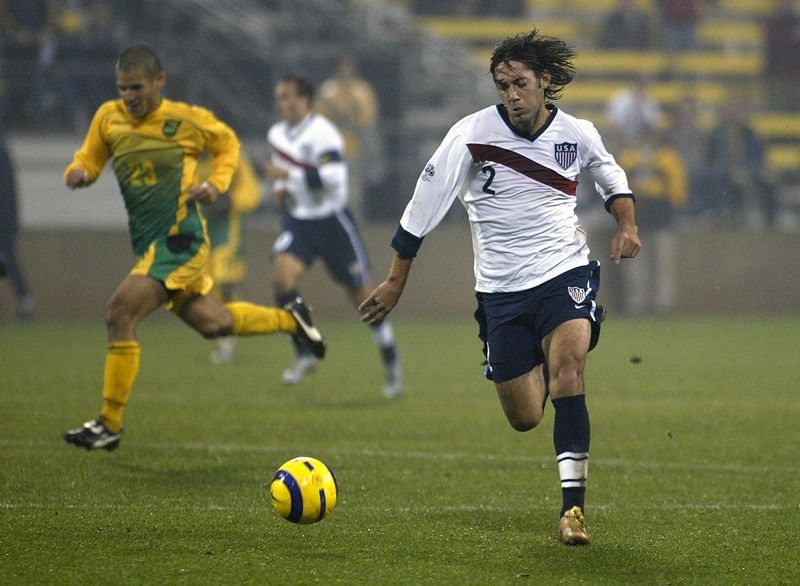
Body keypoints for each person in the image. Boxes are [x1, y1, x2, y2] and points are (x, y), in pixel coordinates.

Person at [359, 30, 640, 545]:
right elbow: (423, 206)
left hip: (564, 271)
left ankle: (572, 511)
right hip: (501, 291)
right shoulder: (471, 134)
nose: (511, 94)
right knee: (526, 417)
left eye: (520, 83)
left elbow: (611, 177)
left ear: (545, 82)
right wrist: (396, 279)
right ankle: (535, 349)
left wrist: (627, 225)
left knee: (569, 373)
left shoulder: (576, 133)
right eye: (502, 84)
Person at [62, 45, 325, 452]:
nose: (129, 96)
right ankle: (292, 320)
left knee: (119, 312)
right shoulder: (108, 117)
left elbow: (228, 146)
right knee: (214, 323)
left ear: (158, 82)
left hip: (180, 240)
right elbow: (90, 158)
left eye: (136, 87)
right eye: (122, 88)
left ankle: (108, 423)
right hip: (150, 246)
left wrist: (216, 184)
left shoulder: (185, 121)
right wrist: (78, 173)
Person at [265, 75, 402, 398]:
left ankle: (390, 357)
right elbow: (282, 176)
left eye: (289, 97)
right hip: (300, 220)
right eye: (280, 97)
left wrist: (289, 178)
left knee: (362, 298)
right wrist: (280, 189)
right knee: (282, 279)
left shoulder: (324, 133)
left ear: (306, 101)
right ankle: (304, 348)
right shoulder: (277, 135)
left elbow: (334, 181)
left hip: (332, 222)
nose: (283, 103)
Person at [198, 150, 261, 364]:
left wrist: (231, 200)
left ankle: (227, 341)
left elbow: (252, 192)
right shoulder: (187, 159)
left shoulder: (232, 158)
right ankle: (228, 333)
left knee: (223, 281)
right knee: (208, 287)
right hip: (199, 232)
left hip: (227, 231)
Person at [617, 129, 687, 314]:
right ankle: (636, 303)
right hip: (636, 217)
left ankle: (663, 304)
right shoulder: (629, 157)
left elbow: (677, 189)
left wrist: (674, 208)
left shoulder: (668, 158)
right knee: (635, 263)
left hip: (661, 216)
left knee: (663, 262)